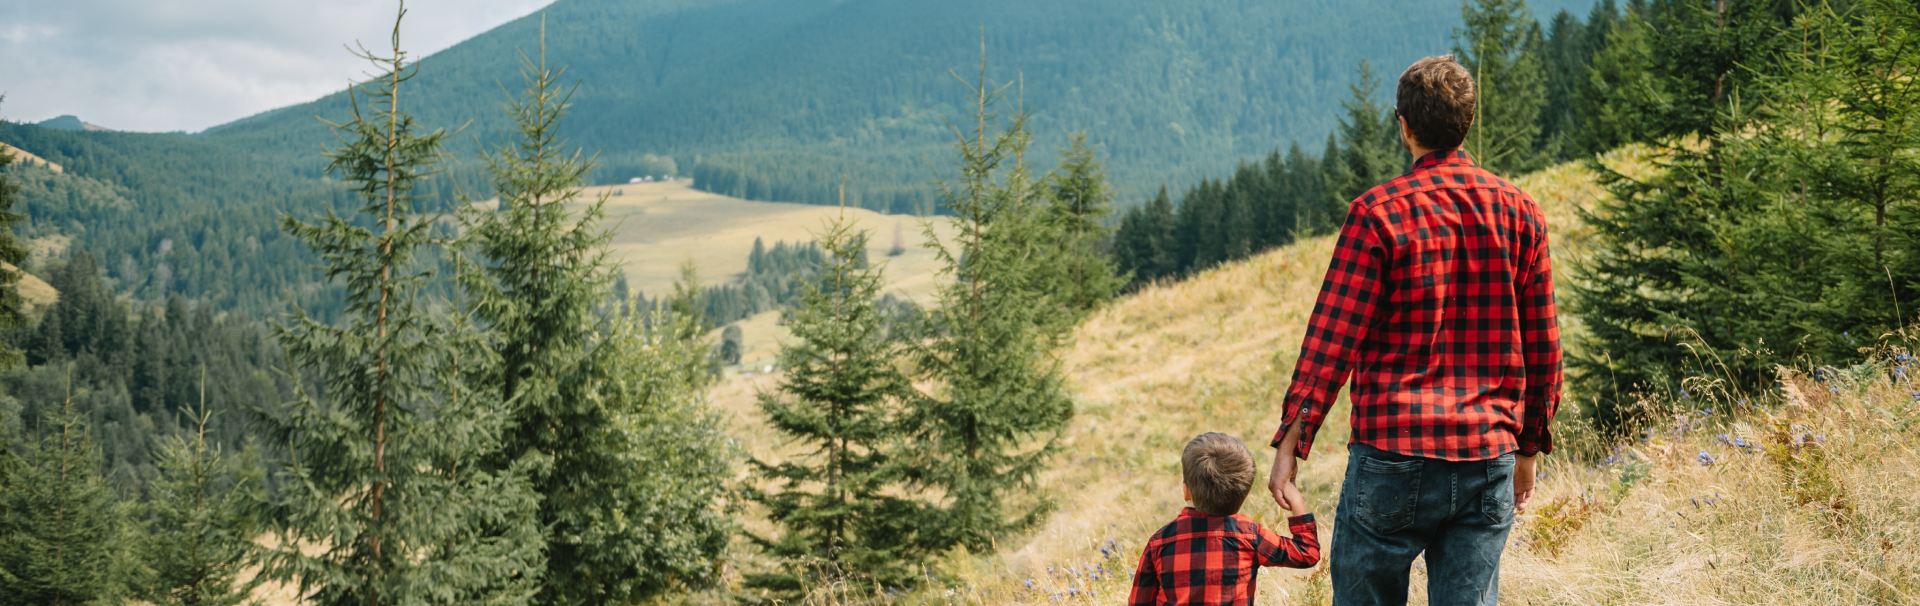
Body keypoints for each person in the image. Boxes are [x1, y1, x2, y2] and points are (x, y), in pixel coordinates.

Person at [1264, 54, 1562, 606]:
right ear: (1468, 122)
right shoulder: (1521, 213)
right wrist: (1529, 448)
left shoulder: (1376, 214)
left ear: (1404, 126)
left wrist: (1292, 442)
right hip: (1486, 452)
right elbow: (1543, 347)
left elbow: (1332, 339)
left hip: (1392, 451)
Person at [1129, 432, 1319, 606]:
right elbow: (1307, 553)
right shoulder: (1250, 536)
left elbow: (1139, 602)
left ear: (1187, 491)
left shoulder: (1160, 542)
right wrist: (1296, 500)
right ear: (1243, 494)